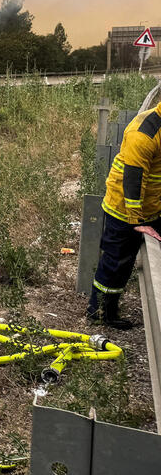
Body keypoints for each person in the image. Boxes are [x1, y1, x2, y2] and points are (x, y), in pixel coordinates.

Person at [89, 103, 161, 329]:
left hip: (151, 206)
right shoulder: (145, 134)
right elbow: (133, 180)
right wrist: (137, 221)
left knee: (122, 261)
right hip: (125, 210)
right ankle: (100, 313)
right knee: (116, 262)